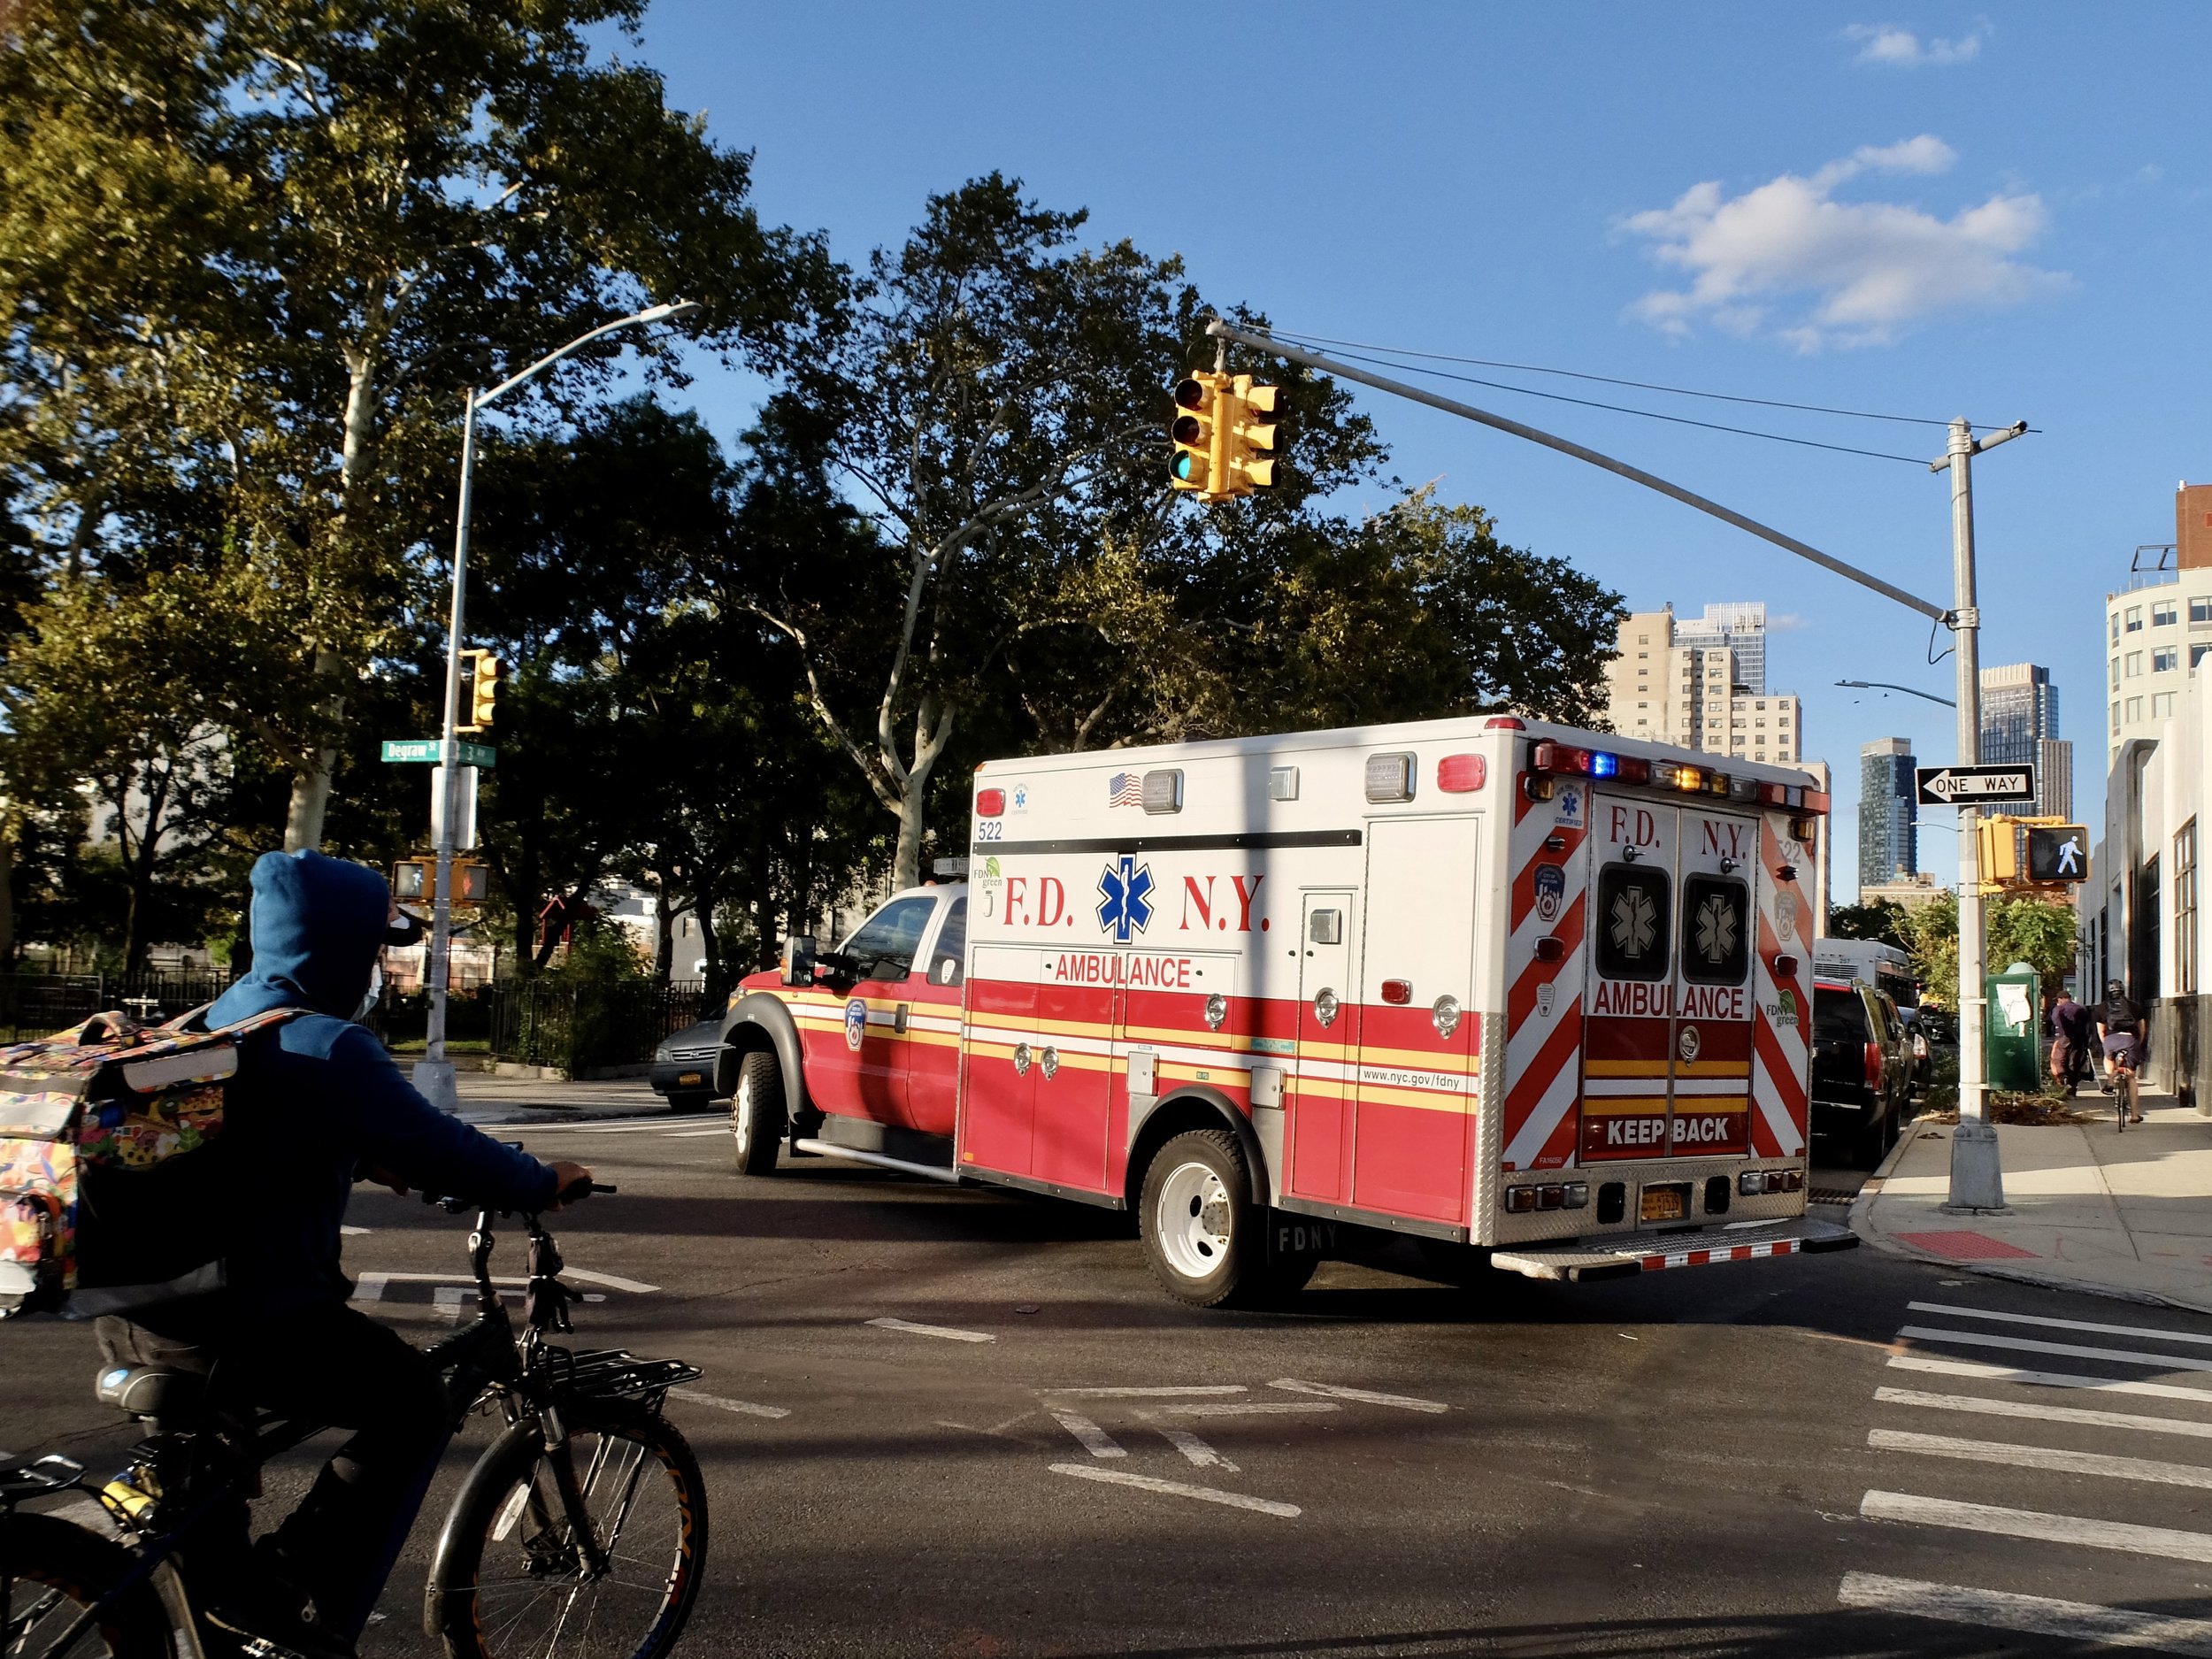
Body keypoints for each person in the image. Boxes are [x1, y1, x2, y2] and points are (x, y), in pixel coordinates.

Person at [95, 849, 592, 1656]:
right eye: (371, 947)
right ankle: (293, 1588)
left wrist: (359, 1156)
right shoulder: (326, 1044)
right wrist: (540, 1179)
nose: (374, 966)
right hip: (252, 1325)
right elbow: (447, 1149)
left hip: (144, 1315)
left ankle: (237, 1614)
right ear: (335, 945)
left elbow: (245, 1131)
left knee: (207, 1551)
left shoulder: (212, 1024)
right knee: (409, 1403)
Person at [2096, 978, 2147, 1123]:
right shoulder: (2134, 1006)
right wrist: (2138, 1042)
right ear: (2123, 991)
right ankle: (2135, 1115)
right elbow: (2142, 1028)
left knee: (2108, 1058)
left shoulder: (2102, 1007)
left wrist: (2107, 1045)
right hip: (2130, 1040)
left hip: (2111, 1041)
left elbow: (2101, 1032)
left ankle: (2111, 1081)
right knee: (2131, 1078)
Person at [2049, 986, 2093, 1094]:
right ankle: (2072, 1088)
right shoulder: (2080, 1009)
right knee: (2074, 1062)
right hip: (2079, 1039)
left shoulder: (2059, 1009)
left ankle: (2062, 1082)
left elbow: (2056, 1021)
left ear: (2060, 999)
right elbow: (2087, 1024)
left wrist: (2063, 1032)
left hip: (2063, 1037)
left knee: (2057, 1060)